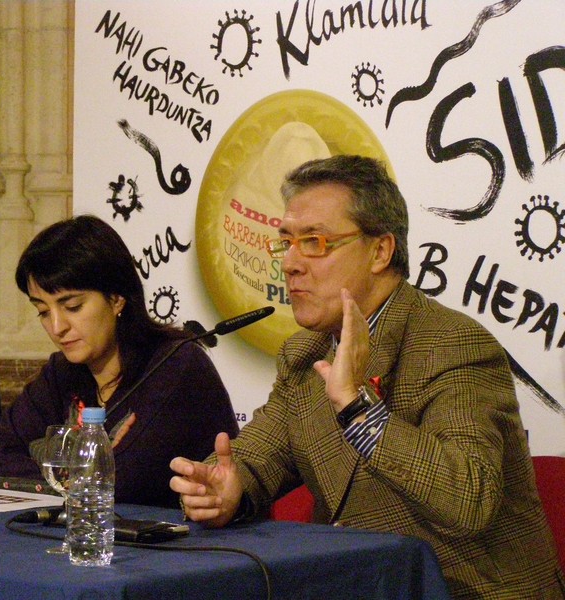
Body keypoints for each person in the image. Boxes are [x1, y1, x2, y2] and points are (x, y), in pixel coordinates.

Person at [170, 155, 564, 598]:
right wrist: (224, 489)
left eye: (314, 242)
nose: (291, 264)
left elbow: (469, 497)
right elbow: (256, 457)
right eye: (287, 243)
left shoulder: (452, 343)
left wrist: (357, 409)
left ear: (380, 251)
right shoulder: (305, 355)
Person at [0, 215, 239, 507]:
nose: (57, 327)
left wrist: (46, 454)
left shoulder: (176, 366)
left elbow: (120, 483)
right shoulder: (62, 371)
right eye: (43, 312)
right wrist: (72, 475)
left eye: (72, 306)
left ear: (116, 299)